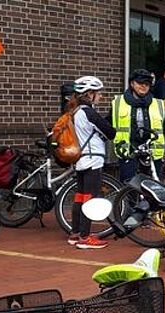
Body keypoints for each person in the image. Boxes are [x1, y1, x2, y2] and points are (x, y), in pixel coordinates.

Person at [67, 76, 116, 249]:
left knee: (80, 197)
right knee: (91, 199)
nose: (101, 96)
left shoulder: (76, 111)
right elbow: (110, 132)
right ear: (89, 94)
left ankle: (75, 234)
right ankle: (85, 237)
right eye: (98, 93)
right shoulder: (88, 112)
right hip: (92, 159)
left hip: (81, 159)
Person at [111, 68, 165, 181]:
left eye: (147, 84)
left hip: (152, 152)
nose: (143, 86)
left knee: (153, 187)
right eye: (140, 83)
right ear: (132, 83)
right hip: (128, 151)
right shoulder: (118, 102)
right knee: (129, 186)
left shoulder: (158, 104)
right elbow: (109, 123)